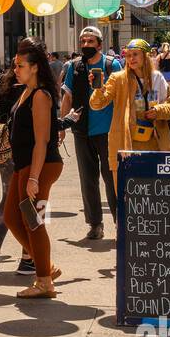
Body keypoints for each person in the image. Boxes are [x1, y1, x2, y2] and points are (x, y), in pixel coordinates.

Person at [3, 39, 65, 298]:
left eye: (20, 65)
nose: (15, 70)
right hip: (24, 165)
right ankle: (45, 266)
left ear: (35, 67)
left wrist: (34, 178)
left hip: (39, 165)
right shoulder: (26, 91)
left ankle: (44, 282)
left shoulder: (40, 95)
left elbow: (42, 141)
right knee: (11, 217)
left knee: (33, 223)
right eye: (15, 65)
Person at [88, 38, 170, 193]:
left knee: (154, 191)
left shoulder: (157, 78)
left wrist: (158, 110)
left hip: (154, 142)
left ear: (145, 56)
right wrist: (98, 89)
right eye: (128, 55)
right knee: (127, 194)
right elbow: (96, 104)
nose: (131, 59)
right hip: (127, 142)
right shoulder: (118, 79)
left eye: (135, 54)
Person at [61, 26, 124, 241]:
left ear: (99, 44)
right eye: (83, 41)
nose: (86, 45)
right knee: (88, 180)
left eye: (90, 41)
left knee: (111, 179)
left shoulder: (112, 64)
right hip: (81, 131)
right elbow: (67, 97)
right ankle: (95, 224)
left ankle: (119, 222)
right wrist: (62, 126)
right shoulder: (74, 66)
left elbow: (120, 96)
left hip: (108, 132)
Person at [0, 48, 33, 274]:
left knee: (8, 198)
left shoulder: (2, 83)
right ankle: (28, 255)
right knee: (30, 202)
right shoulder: (33, 88)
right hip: (27, 151)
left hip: (5, 150)